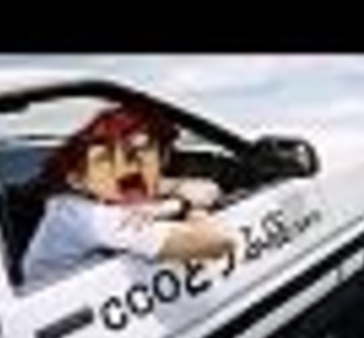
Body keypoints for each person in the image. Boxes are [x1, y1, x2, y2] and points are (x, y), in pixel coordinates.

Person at [21, 103, 236, 284]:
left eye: (137, 153)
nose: (126, 169)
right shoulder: (86, 217)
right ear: (76, 180)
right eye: (104, 160)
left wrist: (175, 201)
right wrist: (188, 206)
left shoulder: (93, 193)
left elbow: (207, 188)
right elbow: (218, 242)